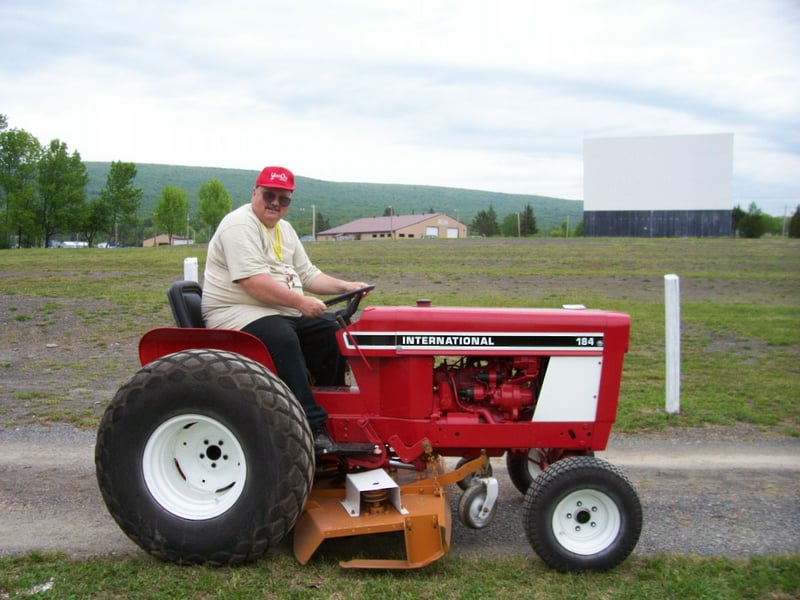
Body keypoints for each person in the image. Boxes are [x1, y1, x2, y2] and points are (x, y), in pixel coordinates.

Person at [201, 166, 370, 454]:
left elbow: (308, 275)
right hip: (236, 311)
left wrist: (346, 286)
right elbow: (253, 283)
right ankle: (312, 427)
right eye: (269, 195)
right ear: (255, 192)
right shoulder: (239, 226)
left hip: (276, 310)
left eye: (284, 199)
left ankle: (336, 414)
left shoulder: (284, 229)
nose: (276, 203)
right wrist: (301, 303)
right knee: (282, 338)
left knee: (333, 331)